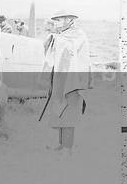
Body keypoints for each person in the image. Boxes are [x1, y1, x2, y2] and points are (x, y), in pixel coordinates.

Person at [39, 10, 92, 152]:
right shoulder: (63, 35)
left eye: (59, 20)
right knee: (60, 110)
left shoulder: (78, 34)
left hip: (73, 81)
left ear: (69, 20)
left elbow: (70, 48)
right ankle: (62, 144)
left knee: (69, 112)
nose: (56, 23)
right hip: (61, 78)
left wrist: (55, 38)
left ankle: (68, 147)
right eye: (55, 20)